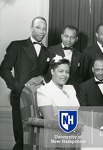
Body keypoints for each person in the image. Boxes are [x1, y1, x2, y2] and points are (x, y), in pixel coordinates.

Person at [37, 56, 103, 149]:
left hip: (79, 128)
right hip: (62, 131)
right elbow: (49, 120)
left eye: (67, 72)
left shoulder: (70, 88)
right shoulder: (44, 90)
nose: (64, 75)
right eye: (60, 71)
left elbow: (76, 112)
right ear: (52, 72)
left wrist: (82, 125)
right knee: (97, 142)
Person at [0, 16, 49, 150]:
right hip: (20, 97)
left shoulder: (47, 51)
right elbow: (3, 69)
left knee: (37, 141)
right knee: (21, 140)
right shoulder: (17, 46)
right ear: (31, 28)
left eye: (44, 28)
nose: (42, 31)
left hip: (39, 100)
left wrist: (42, 77)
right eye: (38, 27)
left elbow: (50, 74)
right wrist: (17, 87)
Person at [48, 25, 82, 91]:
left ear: (76, 39)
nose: (69, 40)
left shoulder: (80, 55)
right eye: (66, 36)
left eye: (72, 37)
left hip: (71, 91)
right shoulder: (50, 51)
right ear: (61, 36)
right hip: (52, 89)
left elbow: (80, 78)